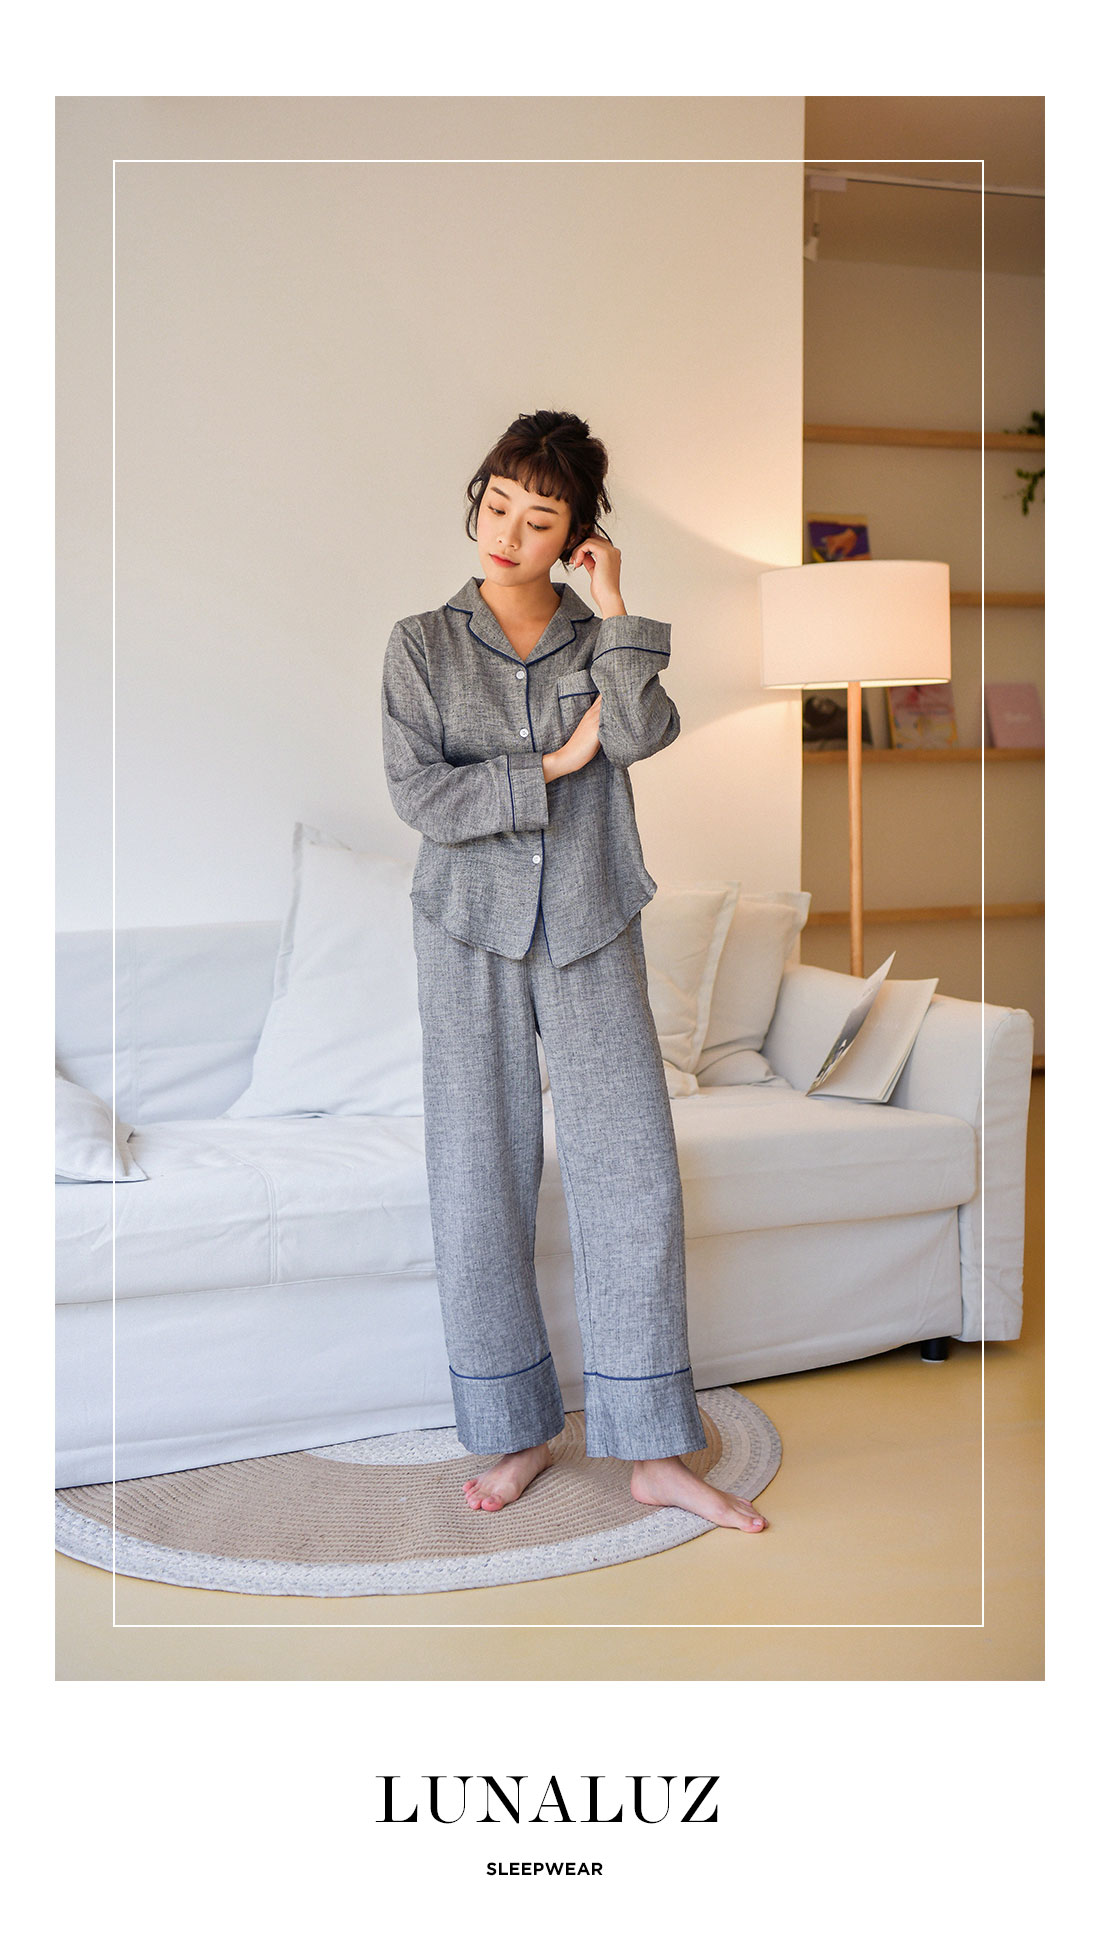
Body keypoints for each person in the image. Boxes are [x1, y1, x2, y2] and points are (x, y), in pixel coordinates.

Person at [381, 408, 767, 1532]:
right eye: (497, 505)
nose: (506, 533)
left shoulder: (604, 637)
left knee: (631, 1169)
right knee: (478, 1170)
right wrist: (550, 764)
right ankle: (516, 1431)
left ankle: (651, 1450)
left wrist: (617, 604)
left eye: (538, 519)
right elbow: (420, 795)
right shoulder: (420, 643)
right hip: (466, 928)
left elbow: (640, 735)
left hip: (591, 917)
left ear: (577, 534)